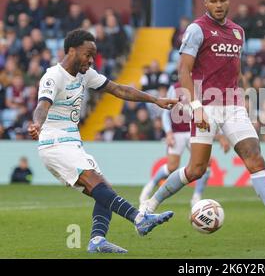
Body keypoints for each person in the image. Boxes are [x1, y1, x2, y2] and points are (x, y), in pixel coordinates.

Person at [140, 0, 265, 239]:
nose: (219, 4)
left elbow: (236, 72)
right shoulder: (197, 29)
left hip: (232, 105)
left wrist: (246, 104)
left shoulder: (237, 32)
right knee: (195, 169)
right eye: (214, 0)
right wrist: (195, 106)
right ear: (205, 3)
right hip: (205, 105)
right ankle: (150, 206)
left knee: (255, 157)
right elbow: (183, 69)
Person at [28, 29, 177, 253]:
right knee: (97, 184)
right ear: (72, 50)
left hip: (72, 143)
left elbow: (119, 89)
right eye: (88, 54)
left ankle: (97, 240)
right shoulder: (53, 76)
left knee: (103, 189)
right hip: (55, 143)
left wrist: (155, 100)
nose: (91, 60)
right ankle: (139, 218)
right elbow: (42, 105)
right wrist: (37, 124)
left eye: (93, 56)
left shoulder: (84, 74)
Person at [139, 82, 231, 207]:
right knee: (172, 166)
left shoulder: (201, 87)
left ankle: (196, 197)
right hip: (177, 131)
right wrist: (169, 132)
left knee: (206, 162)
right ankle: (149, 186)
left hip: (194, 129)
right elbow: (167, 112)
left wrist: (220, 135)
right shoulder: (175, 87)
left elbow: (208, 113)